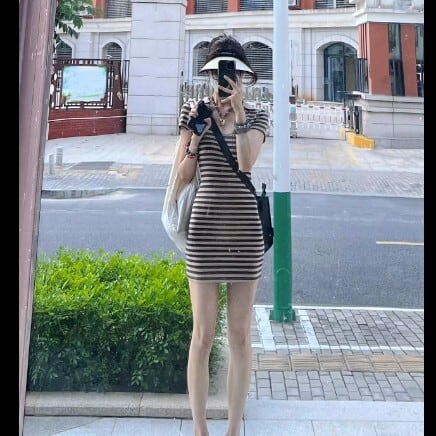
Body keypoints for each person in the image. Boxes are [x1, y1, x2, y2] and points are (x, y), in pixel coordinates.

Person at [175, 33, 269, 436]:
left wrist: (241, 113)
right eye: (219, 72)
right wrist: (196, 137)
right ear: (210, 75)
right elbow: (182, 177)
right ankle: (200, 429)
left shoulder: (259, 115)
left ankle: (232, 430)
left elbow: (246, 162)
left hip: (245, 234)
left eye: (233, 72)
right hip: (204, 232)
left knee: (241, 337)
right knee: (202, 336)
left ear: (243, 76)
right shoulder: (194, 111)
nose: (226, 80)